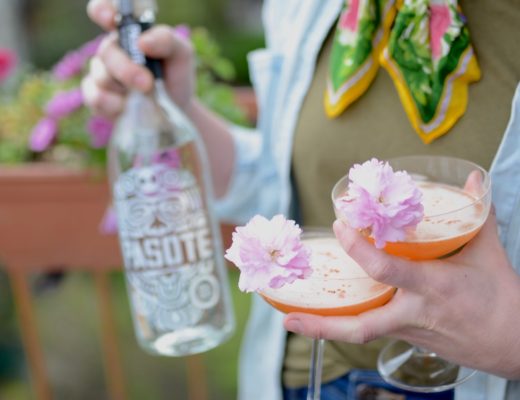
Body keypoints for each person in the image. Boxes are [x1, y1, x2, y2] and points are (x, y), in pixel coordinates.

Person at [83, 0, 520, 399]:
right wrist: (177, 106)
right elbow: (280, 186)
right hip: (311, 376)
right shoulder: (305, 7)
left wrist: (511, 342)